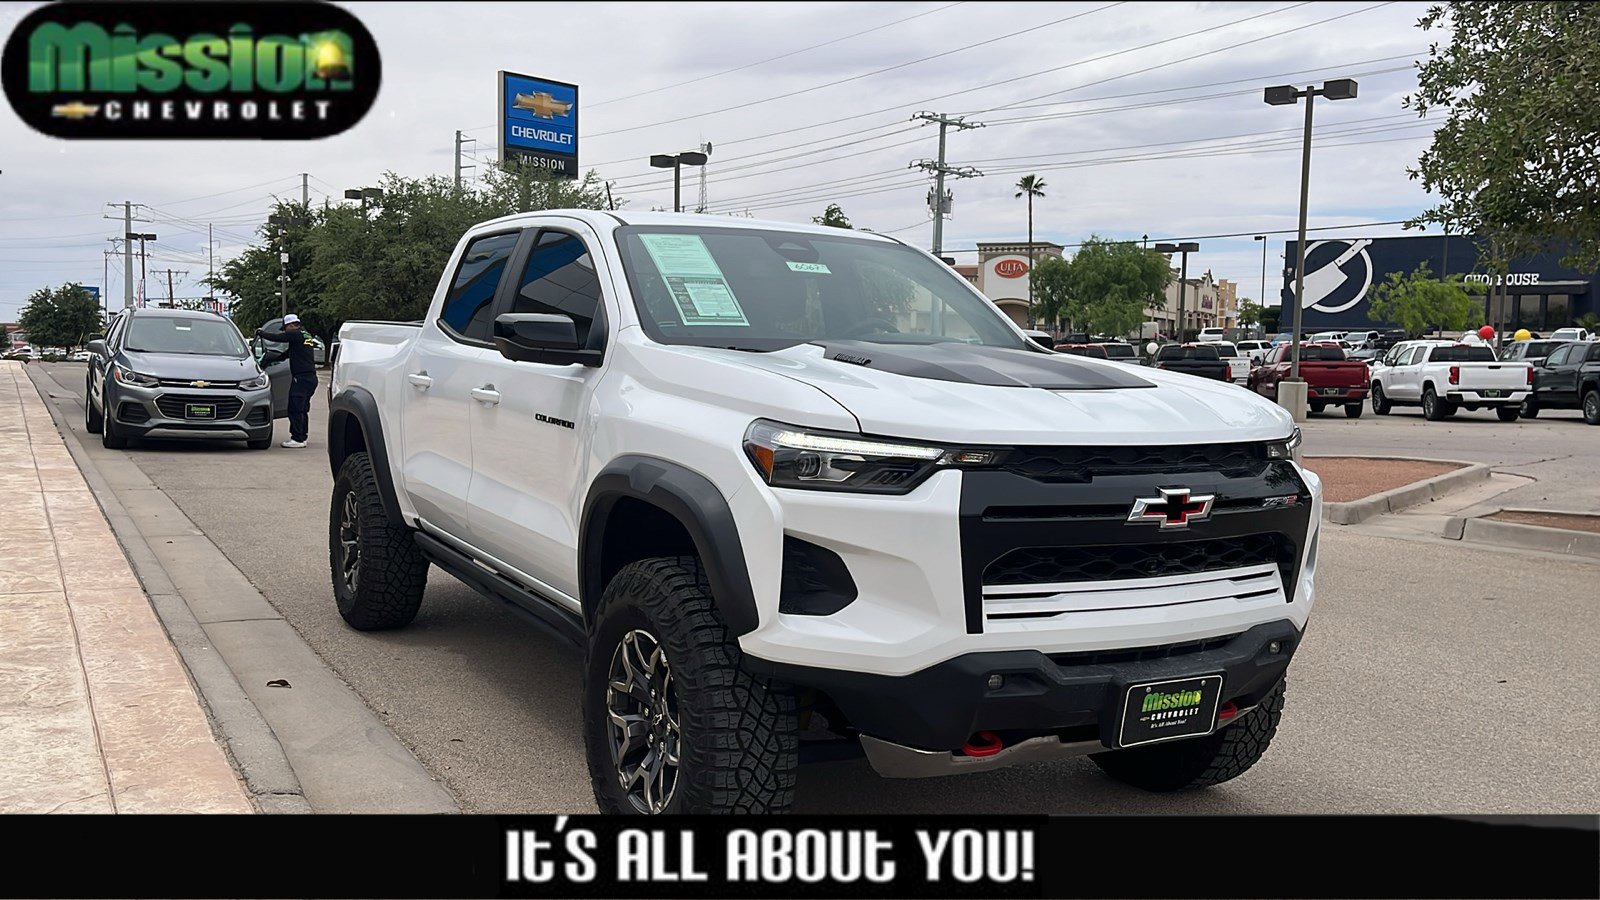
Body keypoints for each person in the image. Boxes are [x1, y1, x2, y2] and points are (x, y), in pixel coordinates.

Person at [257, 314, 316, 448]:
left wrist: (261, 333)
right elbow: (288, 354)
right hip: (310, 378)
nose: (284, 331)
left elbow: (278, 338)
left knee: (295, 408)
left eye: (285, 328)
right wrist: (274, 358)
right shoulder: (305, 335)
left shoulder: (294, 334)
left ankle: (297, 439)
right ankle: (302, 436)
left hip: (301, 378)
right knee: (302, 409)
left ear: (290, 325)